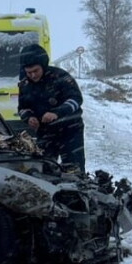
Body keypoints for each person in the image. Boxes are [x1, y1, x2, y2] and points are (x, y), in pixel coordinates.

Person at [16, 44, 85, 172]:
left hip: (70, 130)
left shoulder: (61, 77)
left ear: (43, 65)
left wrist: (57, 113)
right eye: (28, 72)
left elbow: (76, 99)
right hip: (45, 132)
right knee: (45, 168)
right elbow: (22, 108)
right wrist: (28, 117)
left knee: (74, 170)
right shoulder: (25, 85)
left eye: (35, 71)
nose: (32, 75)